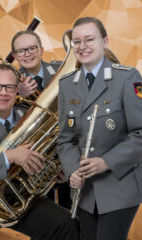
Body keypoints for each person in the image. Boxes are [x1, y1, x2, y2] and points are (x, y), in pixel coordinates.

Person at [0, 63, 80, 240]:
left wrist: (53, 172)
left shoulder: (30, 117)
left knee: (68, 224)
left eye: (9, 87)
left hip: (20, 198)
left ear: (17, 90)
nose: (3, 93)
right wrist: (9, 156)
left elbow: (41, 158)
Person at [57, 16, 142, 240]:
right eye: (76, 41)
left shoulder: (127, 77)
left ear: (105, 42)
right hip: (85, 192)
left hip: (119, 187)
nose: (82, 46)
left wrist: (107, 162)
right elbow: (66, 139)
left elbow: (140, 133)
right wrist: (72, 170)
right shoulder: (66, 84)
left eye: (89, 39)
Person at [12, 29, 71, 209]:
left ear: (41, 50)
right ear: (14, 55)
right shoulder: (8, 80)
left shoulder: (63, 70)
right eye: (21, 51)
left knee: (74, 218)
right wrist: (17, 94)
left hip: (67, 153)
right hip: (35, 157)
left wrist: (69, 164)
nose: (27, 54)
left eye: (32, 48)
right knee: (41, 219)